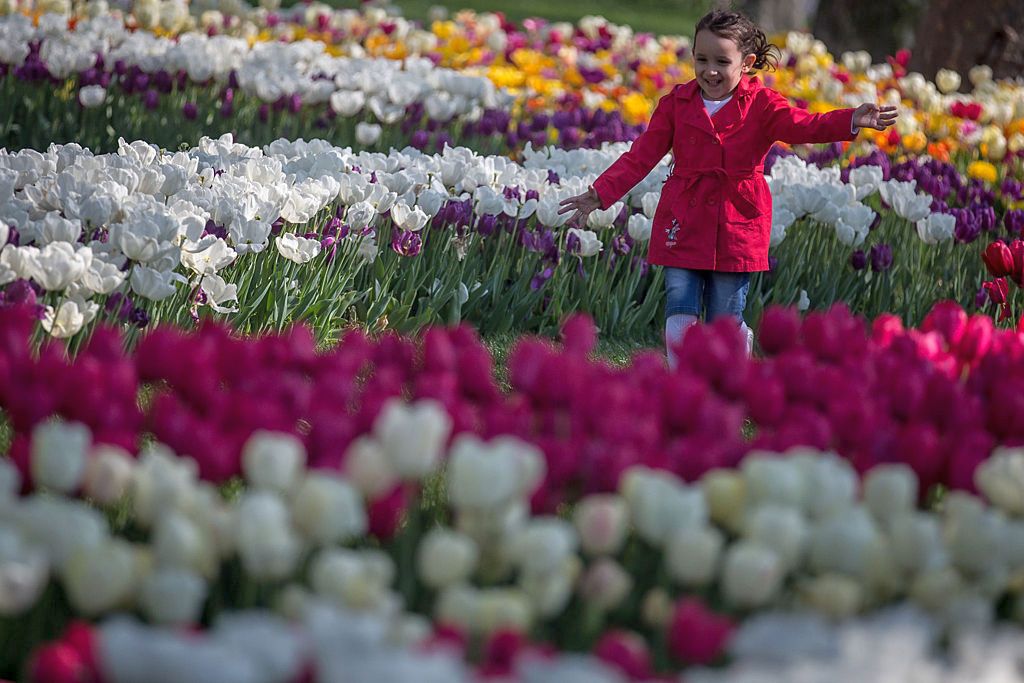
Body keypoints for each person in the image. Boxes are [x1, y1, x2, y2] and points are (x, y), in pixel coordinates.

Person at [558, 9, 898, 368]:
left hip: (737, 220)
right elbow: (640, 156)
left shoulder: (763, 105)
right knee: (679, 302)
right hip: (684, 216)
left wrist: (849, 120)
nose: (710, 70)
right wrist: (600, 193)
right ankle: (683, 381)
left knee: (725, 316)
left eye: (722, 61)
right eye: (701, 59)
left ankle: (729, 375)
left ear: (747, 63)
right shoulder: (676, 104)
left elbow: (804, 125)